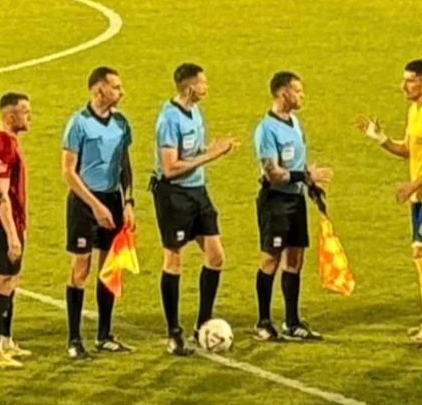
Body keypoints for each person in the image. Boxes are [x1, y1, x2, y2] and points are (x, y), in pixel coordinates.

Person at [357, 60, 422, 345]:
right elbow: (408, 150)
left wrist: (414, 185)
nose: (403, 86)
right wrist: (380, 138)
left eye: (410, 81)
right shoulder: (415, 110)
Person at [152, 63, 237, 356]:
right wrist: (211, 155)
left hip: (198, 192)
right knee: (174, 260)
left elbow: (192, 154)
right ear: (190, 88)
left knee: (216, 256)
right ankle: (174, 333)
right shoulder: (168, 119)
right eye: (202, 83)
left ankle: (203, 324)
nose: (206, 87)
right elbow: (170, 167)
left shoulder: (195, 111)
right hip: (173, 195)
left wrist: (212, 149)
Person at [62, 67, 136, 359]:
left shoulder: (121, 123)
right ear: (98, 90)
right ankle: (74, 339)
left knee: (110, 269)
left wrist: (128, 202)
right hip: (84, 202)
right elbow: (68, 172)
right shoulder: (78, 124)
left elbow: (125, 165)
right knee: (81, 269)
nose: (121, 92)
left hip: (112, 200)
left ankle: (104, 335)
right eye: (115, 87)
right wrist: (95, 205)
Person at [253, 71, 332, 341]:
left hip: (296, 199)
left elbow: (298, 163)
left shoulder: (295, 123)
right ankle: (264, 322)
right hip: (275, 202)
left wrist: (311, 186)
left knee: (296, 259)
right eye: (297, 91)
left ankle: (292, 321)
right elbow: (273, 173)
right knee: (270, 259)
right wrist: (305, 176)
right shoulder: (266, 129)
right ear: (283, 93)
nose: (302, 96)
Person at [0, 92, 34, 369]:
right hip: (2, 225)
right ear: (10, 116)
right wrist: (13, 235)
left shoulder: (9, 141)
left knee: (11, 282)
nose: (30, 116)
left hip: (13, 223)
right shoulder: (2, 146)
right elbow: (0, 194)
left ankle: (5, 341)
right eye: (25, 112)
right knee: (3, 283)